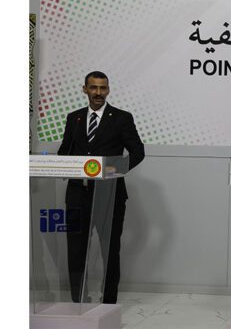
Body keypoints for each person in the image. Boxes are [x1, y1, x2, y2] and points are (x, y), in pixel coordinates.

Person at [57, 71, 145, 304]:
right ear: (84, 89)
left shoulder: (121, 118)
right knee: (76, 249)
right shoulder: (74, 118)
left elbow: (138, 152)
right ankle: (79, 301)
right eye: (93, 87)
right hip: (77, 194)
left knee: (110, 249)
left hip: (110, 195)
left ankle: (108, 303)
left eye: (102, 88)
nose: (98, 93)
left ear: (108, 90)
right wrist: (56, 165)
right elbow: (65, 151)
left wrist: (112, 171)